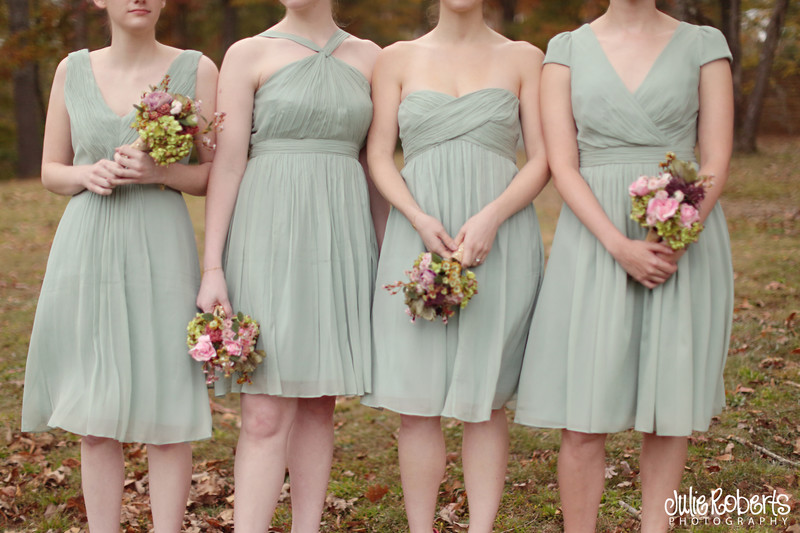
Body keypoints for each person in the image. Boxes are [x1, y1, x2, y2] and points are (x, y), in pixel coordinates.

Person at [513, 1, 734, 531]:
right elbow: (563, 165)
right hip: (593, 239)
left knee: (667, 412)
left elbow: (716, 160)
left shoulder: (705, 45)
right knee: (584, 418)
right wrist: (617, 243)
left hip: (681, 237)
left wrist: (678, 234)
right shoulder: (565, 51)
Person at [21, 0, 218, 530]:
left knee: (168, 412)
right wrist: (85, 175)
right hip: (87, 245)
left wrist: (162, 171)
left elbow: (213, 176)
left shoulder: (197, 68)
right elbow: (49, 171)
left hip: (161, 246)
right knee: (94, 416)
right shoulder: (72, 69)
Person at [195, 0, 386, 531]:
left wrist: (384, 249)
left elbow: (377, 166)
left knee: (319, 400)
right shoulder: (247, 53)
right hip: (267, 231)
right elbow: (229, 163)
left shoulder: (373, 57)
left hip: (341, 235)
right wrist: (213, 266)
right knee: (263, 409)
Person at [361, 1, 548, 531]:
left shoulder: (524, 58)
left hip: (499, 235)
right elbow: (379, 155)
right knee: (417, 402)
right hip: (417, 234)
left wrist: (492, 216)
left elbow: (541, 158)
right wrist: (417, 218)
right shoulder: (396, 58)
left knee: (484, 400)